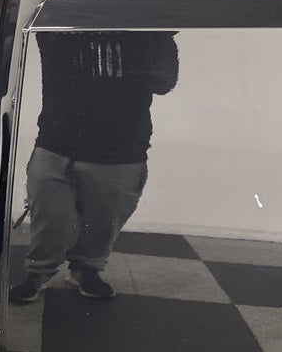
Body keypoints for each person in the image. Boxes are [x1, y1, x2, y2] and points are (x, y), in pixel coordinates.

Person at [9, 31, 179, 303]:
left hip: (120, 147)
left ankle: (87, 270)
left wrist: (152, 38)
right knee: (50, 215)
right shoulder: (61, 28)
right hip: (57, 141)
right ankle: (38, 272)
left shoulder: (151, 34)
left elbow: (163, 82)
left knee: (104, 221)